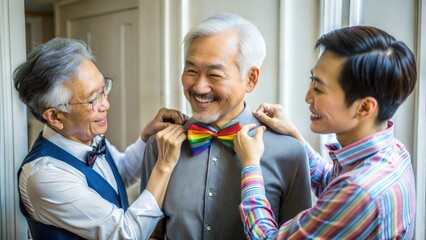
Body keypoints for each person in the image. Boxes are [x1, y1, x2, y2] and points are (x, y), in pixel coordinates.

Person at [140, 12, 312, 239]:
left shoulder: (289, 153)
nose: (199, 87)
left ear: (251, 78)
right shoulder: (160, 144)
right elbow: (150, 234)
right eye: (191, 70)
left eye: (214, 74)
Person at [234, 26, 417, 239]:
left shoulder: (360, 192)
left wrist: (251, 165)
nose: (307, 97)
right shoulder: (395, 151)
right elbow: (330, 184)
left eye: (319, 89)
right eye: (312, 80)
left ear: (364, 108)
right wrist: (295, 135)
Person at [14, 37, 188, 239]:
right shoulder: (44, 176)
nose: (105, 105)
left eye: (104, 89)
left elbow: (119, 173)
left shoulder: (85, 135)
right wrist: (164, 166)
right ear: (55, 116)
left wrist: (146, 137)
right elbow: (126, 233)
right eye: (92, 99)